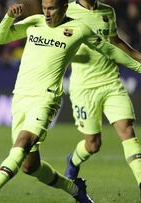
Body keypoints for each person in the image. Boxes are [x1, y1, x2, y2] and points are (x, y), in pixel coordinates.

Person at [0, 0, 141, 202]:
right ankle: (74, 190)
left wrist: (139, 67)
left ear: (64, 7)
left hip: (47, 97)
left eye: (51, 8)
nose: (46, 13)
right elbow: (1, 38)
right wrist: (9, 17)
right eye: (44, 8)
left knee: (23, 141)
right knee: (30, 166)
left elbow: (112, 50)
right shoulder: (35, 22)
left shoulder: (79, 29)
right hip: (20, 97)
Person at [64, 0, 141, 196]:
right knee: (93, 144)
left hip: (111, 82)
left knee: (127, 130)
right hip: (84, 88)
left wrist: (137, 56)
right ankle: (73, 160)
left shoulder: (108, 12)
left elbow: (115, 42)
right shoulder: (67, 11)